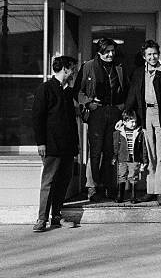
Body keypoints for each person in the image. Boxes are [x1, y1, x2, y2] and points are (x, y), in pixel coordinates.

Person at [126, 40, 161, 208]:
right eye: (149, 54)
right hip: (145, 115)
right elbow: (133, 95)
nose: (152, 57)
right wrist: (127, 114)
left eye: (155, 53)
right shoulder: (139, 73)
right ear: (144, 56)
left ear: (159, 54)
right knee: (149, 155)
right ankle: (150, 190)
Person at [76, 38, 128, 201]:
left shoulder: (119, 67)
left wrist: (123, 106)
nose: (111, 54)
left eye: (113, 51)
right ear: (99, 52)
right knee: (95, 151)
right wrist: (88, 103)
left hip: (114, 113)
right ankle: (92, 187)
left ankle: (109, 186)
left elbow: (127, 89)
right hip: (96, 113)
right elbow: (77, 91)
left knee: (111, 151)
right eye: (107, 51)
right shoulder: (88, 66)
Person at [31, 56, 79, 232]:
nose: (74, 72)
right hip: (51, 146)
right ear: (65, 69)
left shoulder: (67, 92)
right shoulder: (45, 89)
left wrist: (76, 145)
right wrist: (41, 143)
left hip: (67, 147)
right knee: (49, 182)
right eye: (72, 68)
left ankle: (57, 216)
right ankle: (42, 219)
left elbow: (71, 122)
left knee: (63, 182)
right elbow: (37, 118)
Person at [112, 110, 148, 203]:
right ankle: (120, 196)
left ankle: (133, 196)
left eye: (135, 121)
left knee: (133, 176)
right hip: (122, 158)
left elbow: (143, 147)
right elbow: (116, 146)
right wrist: (115, 156)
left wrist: (144, 160)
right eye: (131, 122)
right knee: (121, 176)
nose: (134, 124)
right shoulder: (118, 133)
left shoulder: (139, 133)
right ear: (124, 122)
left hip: (134, 159)